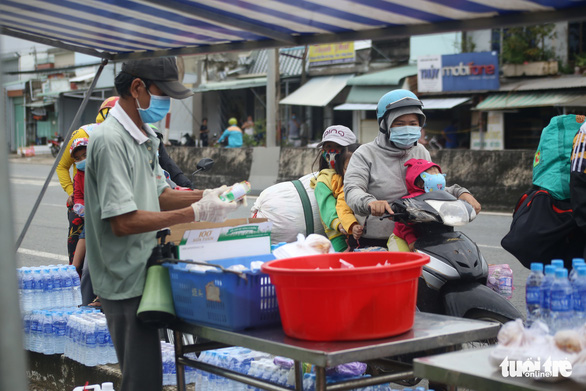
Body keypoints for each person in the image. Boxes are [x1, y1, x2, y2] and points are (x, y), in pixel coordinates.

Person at [84, 56, 238, 391]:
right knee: (142, 380)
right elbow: (123, 222)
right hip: (123, 276)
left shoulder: (144, 136)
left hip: (147, 269)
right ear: (137, 87)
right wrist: (194, 215)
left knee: (152, 373)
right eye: (162, 93)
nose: (166, 104)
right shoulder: (111, 141)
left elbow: (161, 194)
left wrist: (209, 196)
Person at [344, 89, 481, 249]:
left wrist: (460, 192)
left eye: (413, 124)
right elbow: (352, 190)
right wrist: (371, 203)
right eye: (400, 124)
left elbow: (432, 188)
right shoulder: (365, 153)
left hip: (418, 236)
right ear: (384, 125)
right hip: (377, 239)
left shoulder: (420, 151)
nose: (407, 128)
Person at [57, 96, 119, 264]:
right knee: (77, 250)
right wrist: (72, 193)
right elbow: (61, 166)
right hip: (82, 203)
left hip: (109, 203)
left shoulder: (122, 136)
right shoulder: (83, 134)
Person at [310, 125, 358, 252]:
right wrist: (340, 225)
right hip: (338, 234)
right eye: (328, 147)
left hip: (358, 229)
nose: (332, 152)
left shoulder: (357, 172)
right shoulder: (323, 180)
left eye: (338, 147)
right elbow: (327, 207)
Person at [390, 159, 446, 252]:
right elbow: (403, 224)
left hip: (426, 238)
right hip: (402, 239)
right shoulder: (411, 201)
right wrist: (411, 240)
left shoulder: (441, 196)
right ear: (419, 182)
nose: (437, 177)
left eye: (438, 174)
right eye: (433, 175)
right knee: (402, 262)